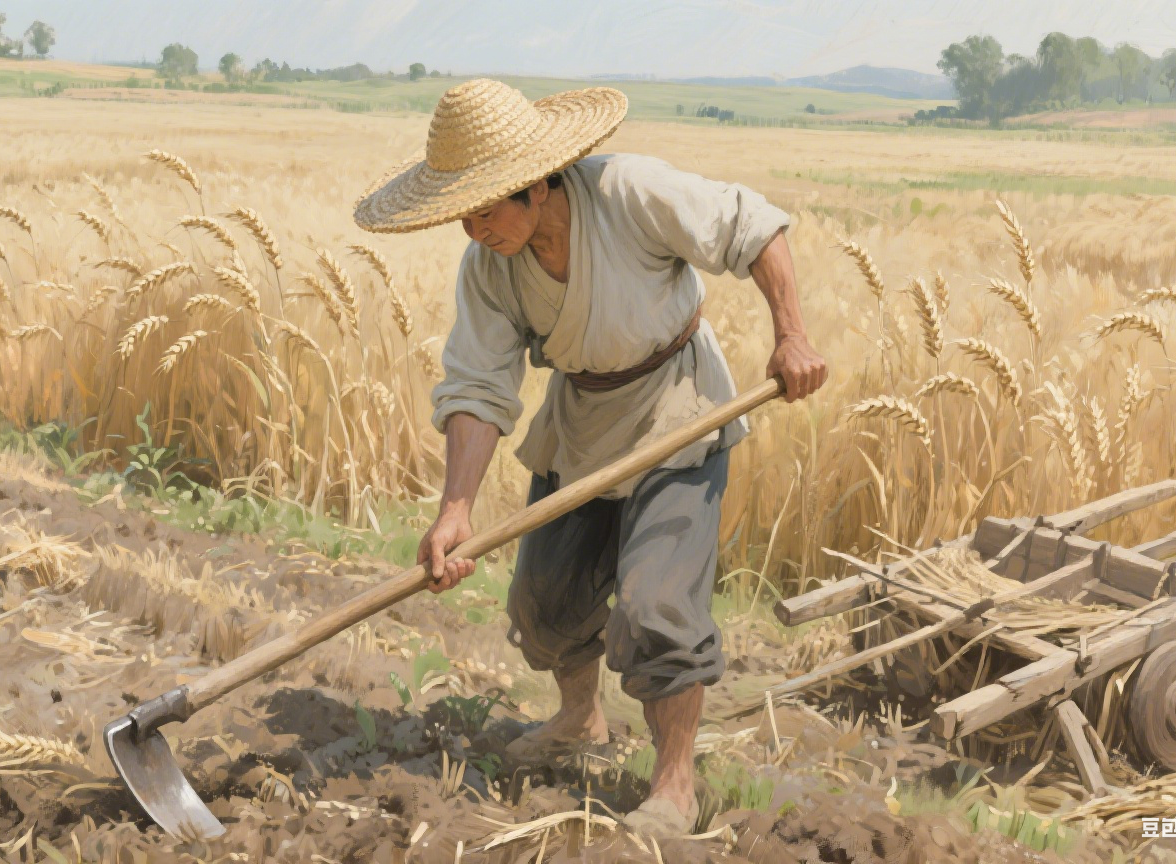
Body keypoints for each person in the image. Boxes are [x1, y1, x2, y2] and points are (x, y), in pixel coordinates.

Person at [353, 78, 826, 838]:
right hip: (581, 421)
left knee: (657, 607)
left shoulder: (631, 193)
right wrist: (456, 510)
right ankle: (580, 718)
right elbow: (478, 385)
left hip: (677, 407)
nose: (474, 229)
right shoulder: (491, 267)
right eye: (460, 214)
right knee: (542, 605)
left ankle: (675, 782)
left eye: (485, 207)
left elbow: (755, 229)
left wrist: (792, 336)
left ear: (536, 183)